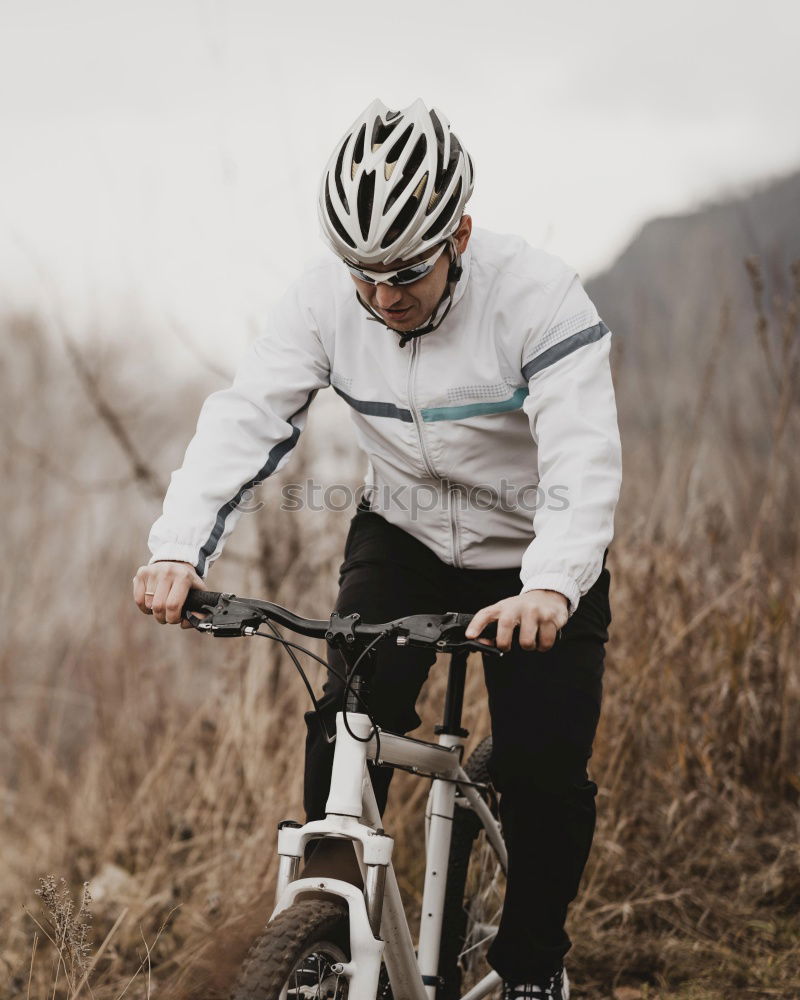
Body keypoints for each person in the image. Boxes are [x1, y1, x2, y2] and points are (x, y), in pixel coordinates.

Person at [133, 98, 622, 999]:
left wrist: (552, 588)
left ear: (460, 234)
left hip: (534, 553)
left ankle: (531, 971)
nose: (382, 298)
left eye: (405, 274)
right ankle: (333, 938)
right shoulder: (327, 301)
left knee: (545, 771)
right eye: (362, 275)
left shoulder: (539, 296)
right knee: (346, 719)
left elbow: (584, 461)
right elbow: (248, 417)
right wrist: (177, 551)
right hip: (405, 535)